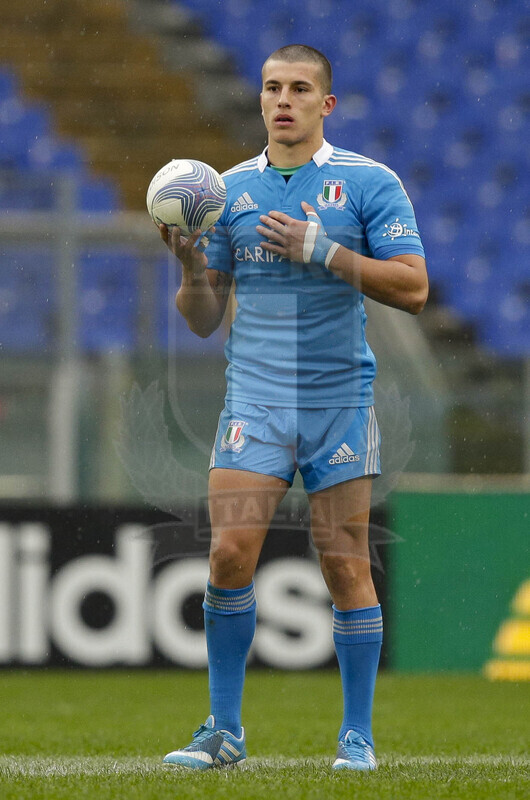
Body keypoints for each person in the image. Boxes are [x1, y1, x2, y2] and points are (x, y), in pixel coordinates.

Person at [159, 44, 428, 771]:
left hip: (340, 398)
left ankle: (358, 737)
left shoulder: (368, 183)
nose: (284, 99)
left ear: (325, 104)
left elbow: (413, 287)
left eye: (300, 88)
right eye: (273, 88)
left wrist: (326, 251)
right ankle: (222, 730)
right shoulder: (224, 193)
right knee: (227, 553)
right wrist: (189, 266)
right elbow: (201, 318)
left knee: (344, 563)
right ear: (260, 101)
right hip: (257, 397)